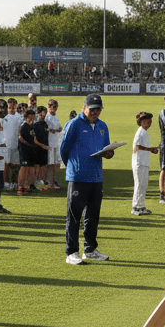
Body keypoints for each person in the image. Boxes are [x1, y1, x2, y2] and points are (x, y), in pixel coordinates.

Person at [59, 94, 114, 265]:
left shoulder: (102, 126)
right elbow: (64, 149)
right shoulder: (73, 124)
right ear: (84, 108)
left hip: (96, 177)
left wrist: (109, 154)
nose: (95, 112)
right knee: (74, 216)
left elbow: (106, 148)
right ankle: (72, 252)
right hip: (78, 177)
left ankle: (90, 249)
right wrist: (74, 167)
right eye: (92, 109)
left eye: (98, 109)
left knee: (93, 216)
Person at [131, 111, 158, 216]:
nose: (149, 124)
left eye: (150, 122)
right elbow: (137, 147)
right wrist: (151, 149)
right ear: (141, 122)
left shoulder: (143, 132)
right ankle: (136, 207)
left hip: (143, 162)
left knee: (143, 185)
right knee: (139, 185)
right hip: (139, 162)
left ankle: (140, 205)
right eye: (147, 122)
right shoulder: (140, 132)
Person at [46, 99, 63, 189]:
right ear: (48, 106)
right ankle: (49, 182)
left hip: (56, 143)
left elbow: (58, 128)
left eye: (55, 106)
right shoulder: (47, 117)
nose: (53, 108)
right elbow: (48, 129)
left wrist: (59, 129)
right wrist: (55, 130)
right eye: (51, 106)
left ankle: (53, 180)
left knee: (55, 164)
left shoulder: (55, 116)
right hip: (50, 144)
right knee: (50, 164)